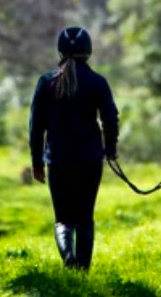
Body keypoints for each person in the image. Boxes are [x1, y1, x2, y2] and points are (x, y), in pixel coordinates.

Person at [28, 26, 119, 271]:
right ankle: (83, 273)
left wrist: (37, 163)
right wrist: (110, 149)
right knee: (85, 219)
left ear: (60, 51)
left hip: (58, 160)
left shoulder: (46, 82)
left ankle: (69, 261)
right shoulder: (97, 82)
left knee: (63, 220)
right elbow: (110, 118)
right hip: (90, 159)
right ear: (88, 51)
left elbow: (36, 126)